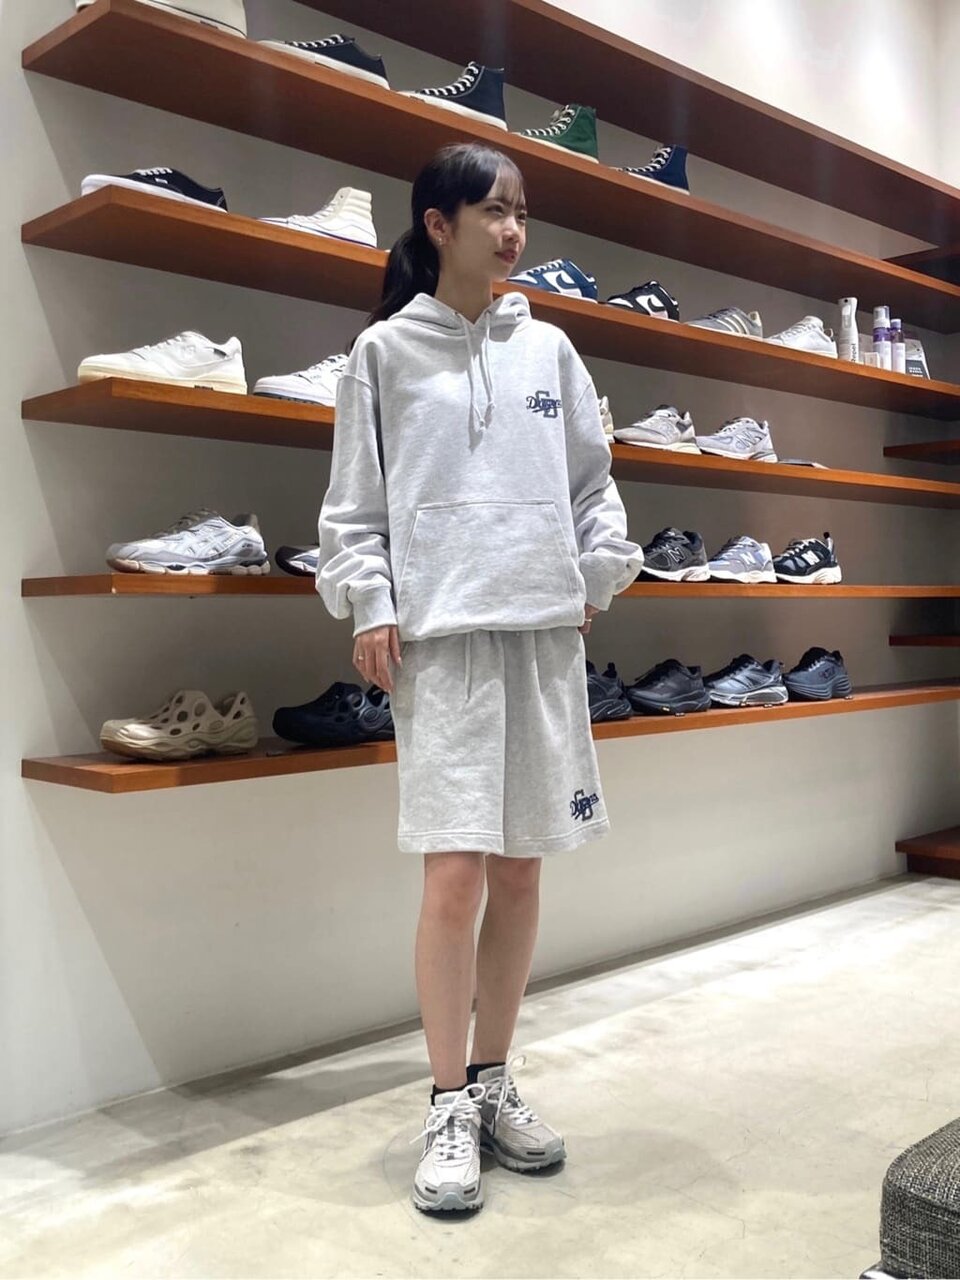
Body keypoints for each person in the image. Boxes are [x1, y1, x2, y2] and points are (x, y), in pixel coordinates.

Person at [316, 141, 642, 1214]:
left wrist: (595, 571)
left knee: (523, 874)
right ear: (437, 222)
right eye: (493, 211)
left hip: (542, 636)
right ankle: (448, 1098)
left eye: (522, 213)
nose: (512, 231)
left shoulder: (551, 350)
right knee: (452, 879)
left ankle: (496, 1079)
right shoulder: (382, 354)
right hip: (445, 642)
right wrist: (371, 601)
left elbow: (595, 487)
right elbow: (354, 508)